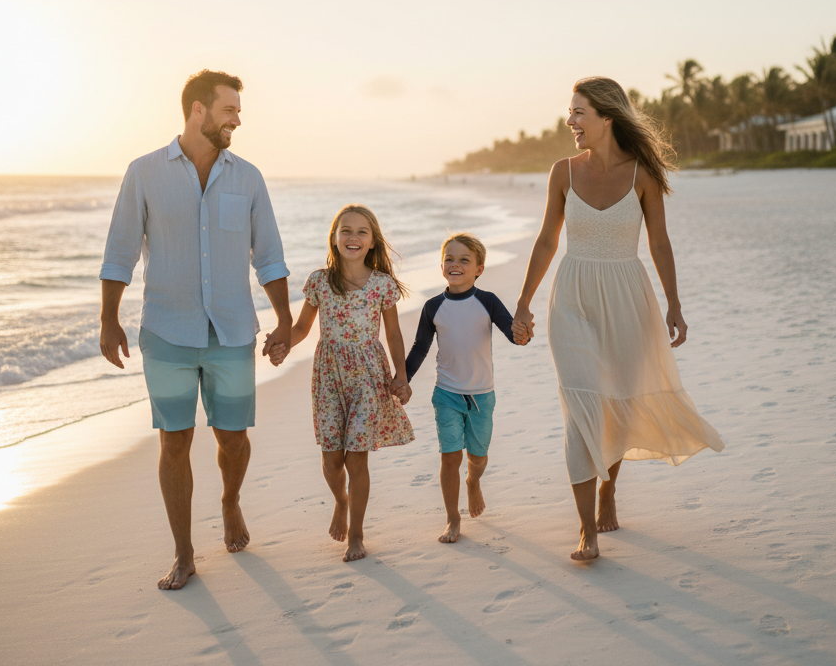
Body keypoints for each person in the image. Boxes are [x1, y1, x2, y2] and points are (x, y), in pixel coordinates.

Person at [512, 76, 724, 562]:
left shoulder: (642, 174)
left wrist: (674, 302)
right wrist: (523, 302)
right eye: (570, 112)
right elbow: (547, 240)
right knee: (583, 404)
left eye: (579, 112)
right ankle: (586, 529)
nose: (571, 122)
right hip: (572, 299)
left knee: (616, 406)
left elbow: (660, 243)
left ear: (607, 116)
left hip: (629, 298)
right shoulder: (562, 172)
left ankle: (609, 488)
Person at [98, 69, 292, 590]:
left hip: (231, 332)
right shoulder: (144, 173)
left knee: (232, 438)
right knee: (175, 440)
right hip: (166, 332)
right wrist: (108, 318)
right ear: (197, 110)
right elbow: (119, 251)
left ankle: (230, 500)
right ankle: (184, 553)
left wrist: (286, 320)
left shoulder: (248, 178)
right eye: (229, 109)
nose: (237, 120)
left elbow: (268, 255)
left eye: (238, 111)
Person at [287, 204, 415, 562]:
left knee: (356, 459)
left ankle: (356, 535)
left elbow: (393, 335)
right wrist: (282, 343)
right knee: (331, 461)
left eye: (361, 232)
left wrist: (400, 376)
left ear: (373, 242)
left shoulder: (382, 286)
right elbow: (301, 328)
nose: (353, 237)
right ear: (334, 237)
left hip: (368, 377)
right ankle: (340, 501)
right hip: (328, 376)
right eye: (346, 230)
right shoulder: (319, 282)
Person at [405, 233, 529, 544]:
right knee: (450, 457)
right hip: (446, 392)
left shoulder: (486, 301)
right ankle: (452, 517)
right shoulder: (433, 306)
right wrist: (402, 378)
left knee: (478, 456)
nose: (455, 264)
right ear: (441, 265)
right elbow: (420, 347)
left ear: (479, 269)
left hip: (481, 395)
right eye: (449, 258)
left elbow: (512, 333)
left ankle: (474, 481)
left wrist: (523, 334)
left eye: (464, 260)